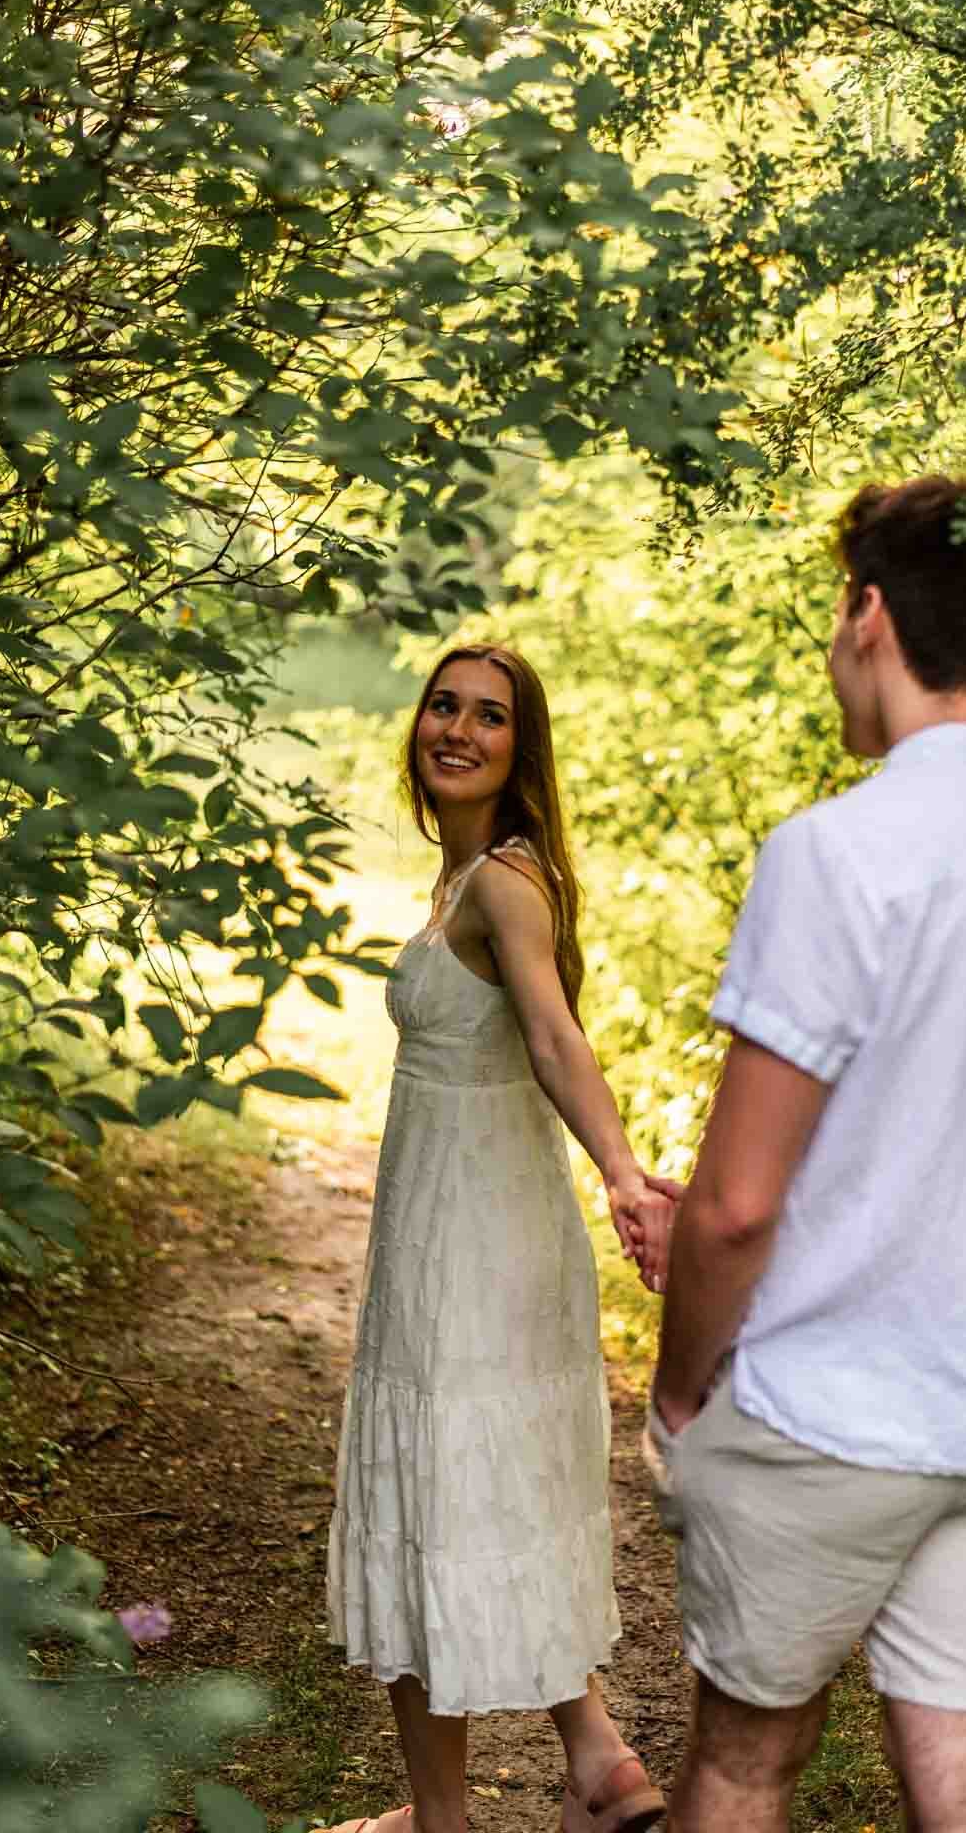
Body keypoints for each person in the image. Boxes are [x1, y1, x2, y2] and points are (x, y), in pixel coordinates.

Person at [645, 478, 966, 1833]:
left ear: (868, 614)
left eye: (834, 611)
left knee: (744, 1766)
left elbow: (734, 1204)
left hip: (831, 1410)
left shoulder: (836, 853)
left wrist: (678, 1399)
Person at [327, 644, 671, 1833]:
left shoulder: (504, 886)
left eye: (489, 717)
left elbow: (555, 1038)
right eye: (443, 705)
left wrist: (624, 1175)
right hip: (461, 1224)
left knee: (436, 1497)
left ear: (522, 752)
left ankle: (444, 1818)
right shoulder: (466, 879)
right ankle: (598, 1763)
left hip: (471, 1246)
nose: (457, 730)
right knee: (480, 1495)